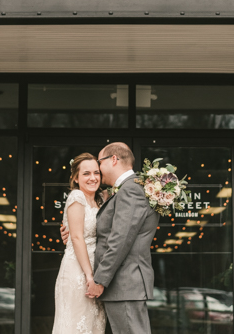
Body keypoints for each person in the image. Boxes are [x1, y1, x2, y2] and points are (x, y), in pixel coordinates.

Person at [63, 142, 160, 334]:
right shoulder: (123, 190)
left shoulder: (130, 190)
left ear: (113, 160)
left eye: (99, 163)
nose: (97, 169)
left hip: (125, 282)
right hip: (122, 284)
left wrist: (100, 280)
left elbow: (120, 239)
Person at [52, 153, 106, 334]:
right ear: (75, 177)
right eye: (86, 173)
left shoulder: (100, 199)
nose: (93, 178)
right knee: (75, 326)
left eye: (96, 173)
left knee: (93, 325)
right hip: (78, 271)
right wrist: (90, 277)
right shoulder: (76, 196)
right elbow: (76, 237)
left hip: (95, 269)